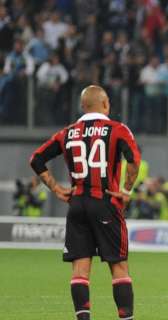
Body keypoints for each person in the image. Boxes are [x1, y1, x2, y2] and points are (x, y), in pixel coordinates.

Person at [29, 85, 140, 320]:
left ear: (83, 106)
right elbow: (134, 159)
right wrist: (126, 190)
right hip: (106, 202)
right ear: (106, 104)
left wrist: (56, 188)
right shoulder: (117, 129)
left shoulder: (67, 133)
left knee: (80, 270)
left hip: (77, 205)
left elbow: (36, 159)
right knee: (118, 267)